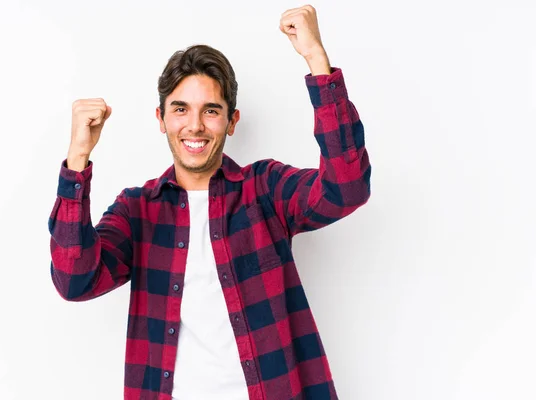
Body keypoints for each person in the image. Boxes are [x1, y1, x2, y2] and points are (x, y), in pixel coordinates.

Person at [48, 5, 371, 400]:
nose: (195, 125)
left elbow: (347, 187)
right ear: (161, 118)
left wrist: (317, 61)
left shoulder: (264, 190)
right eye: (180, 109)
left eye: (211, 111)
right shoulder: (138, 210)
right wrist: (77, 159)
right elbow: (74, 280)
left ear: (232, 121)